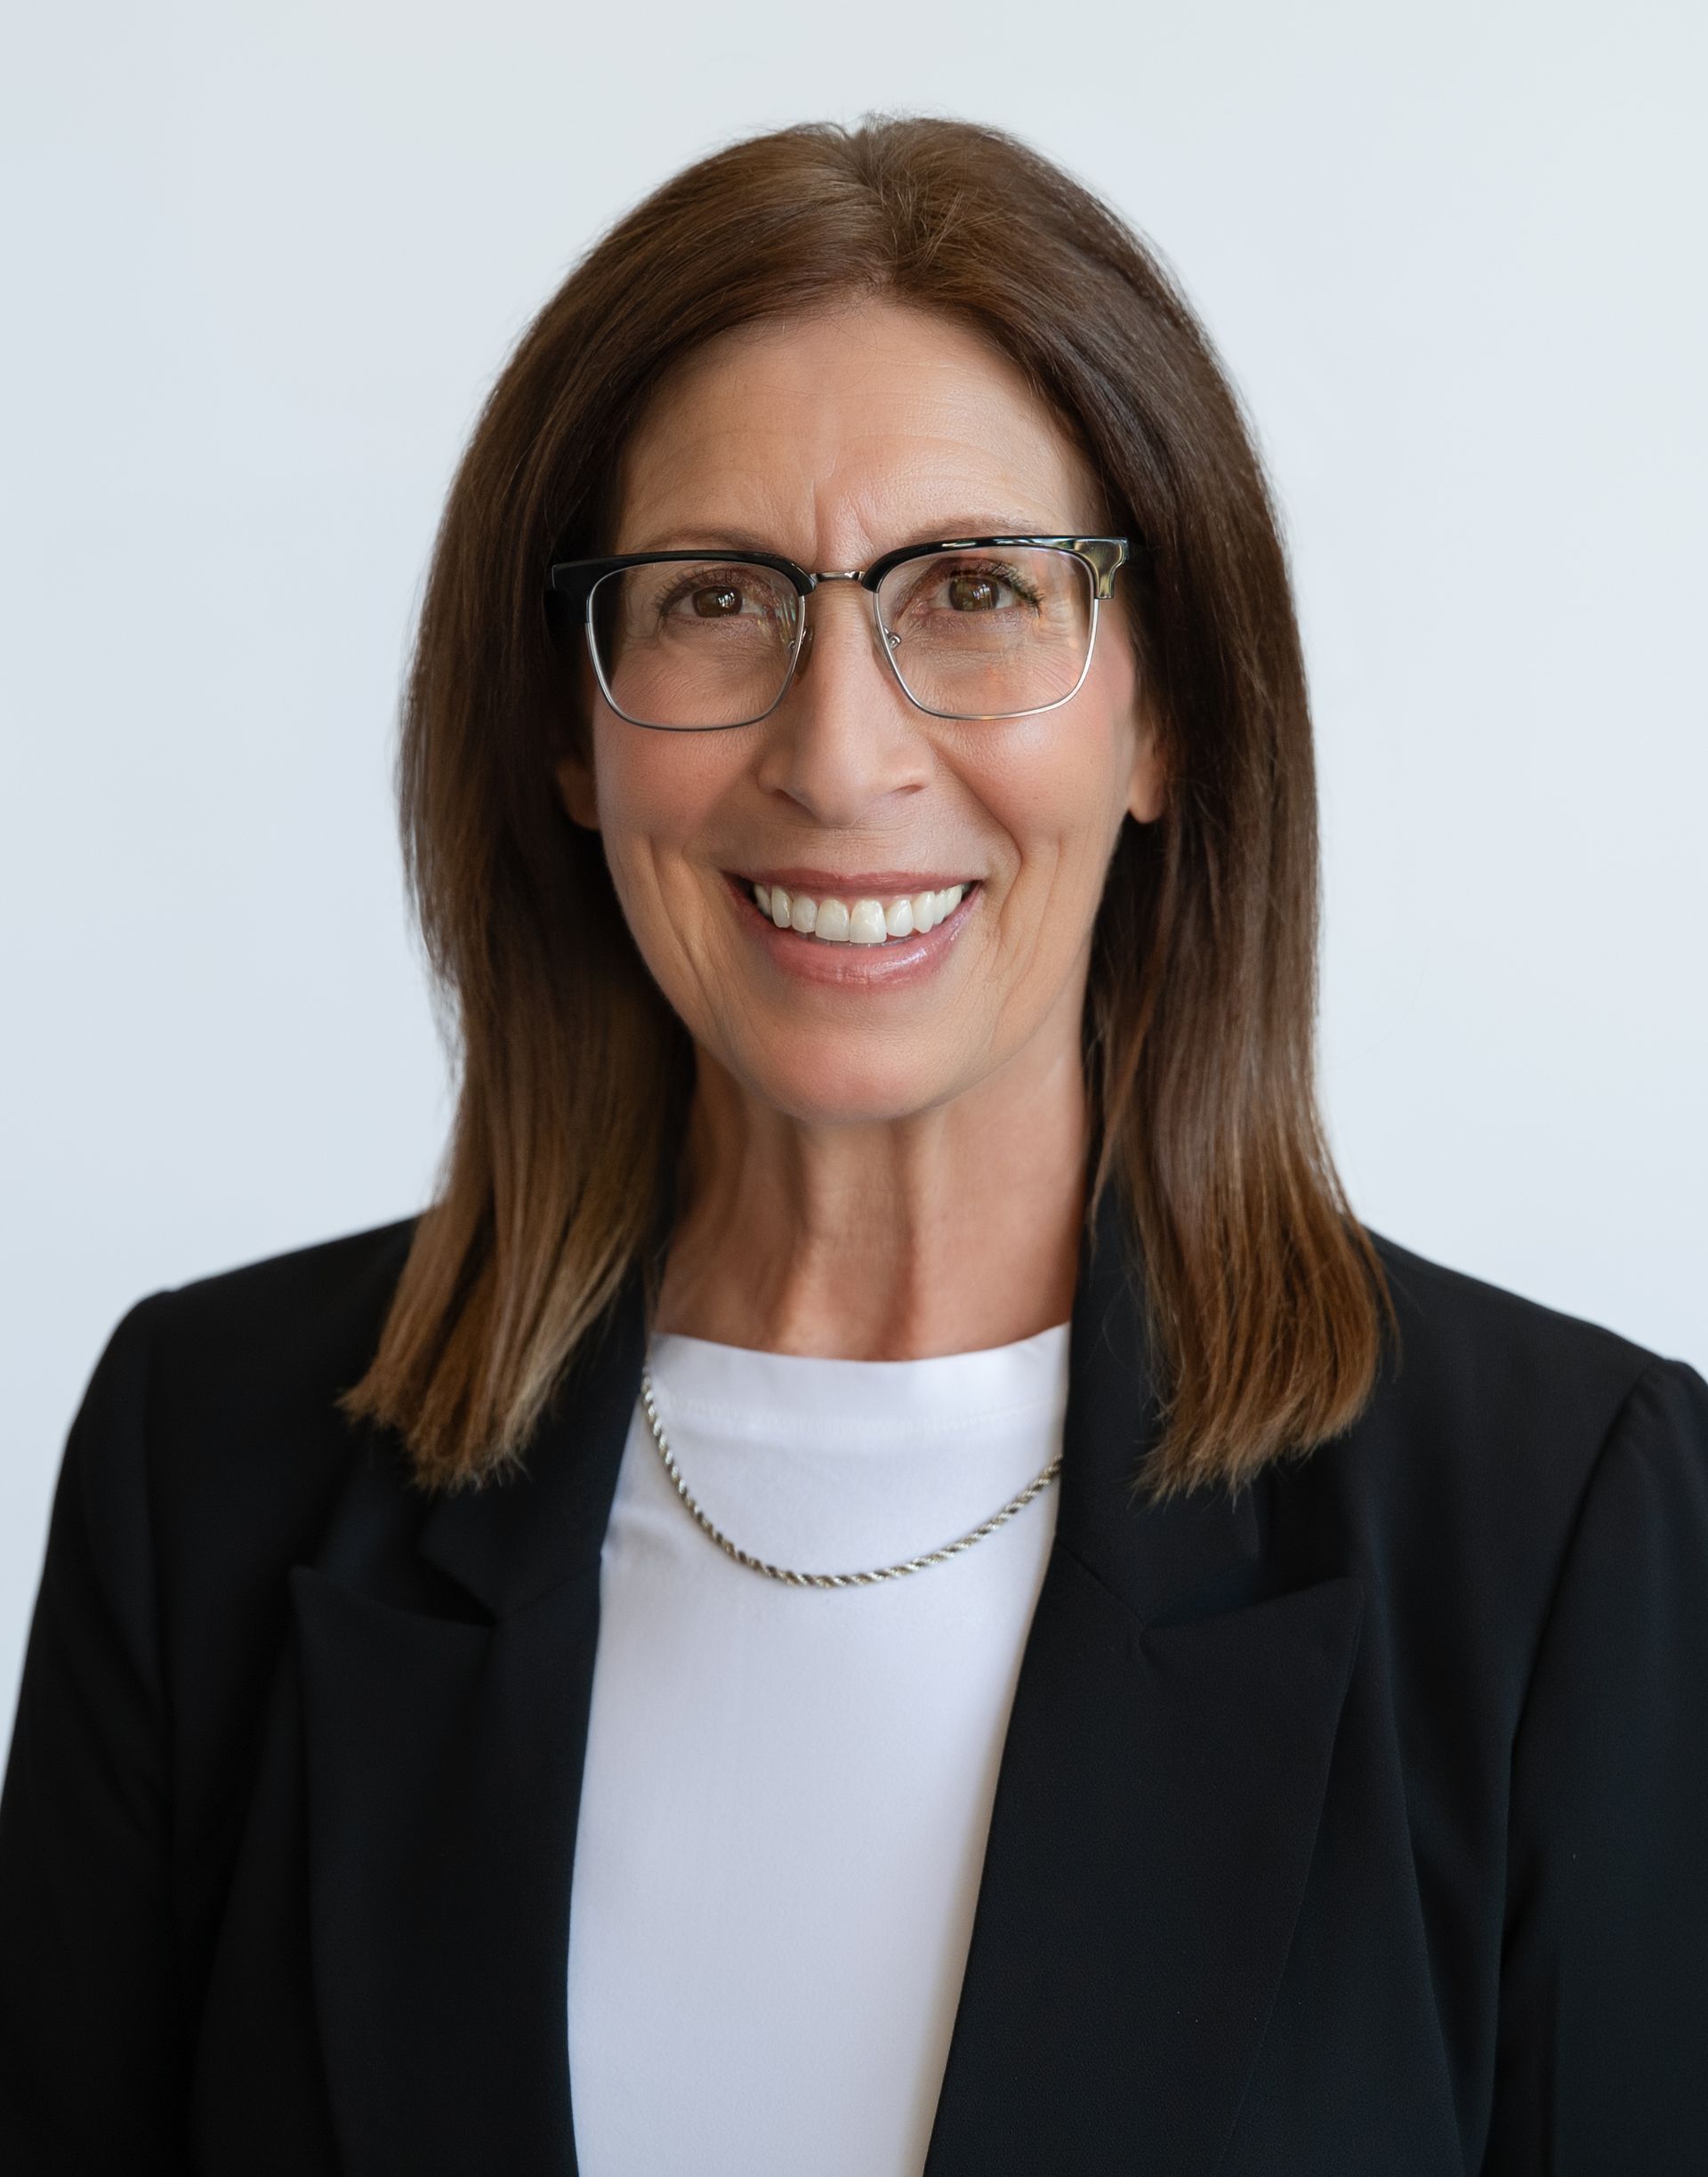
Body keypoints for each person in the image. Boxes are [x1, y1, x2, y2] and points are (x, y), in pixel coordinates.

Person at [2, 113, 1704, 2177]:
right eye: (717, 599)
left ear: (1165, 713)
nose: (837, 755)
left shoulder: (1566, 1529)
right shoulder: (211, 1467)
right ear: (569, 722)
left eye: (974, 590)